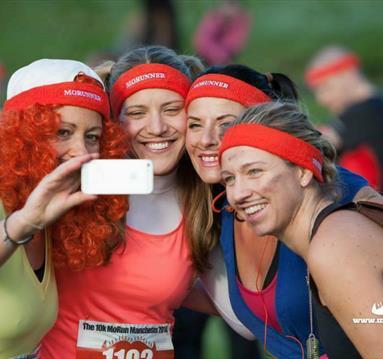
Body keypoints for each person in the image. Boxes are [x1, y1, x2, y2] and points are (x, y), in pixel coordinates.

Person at [183, 64, 375, 358]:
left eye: (226, 124)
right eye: (194, 124)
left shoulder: (337, 212)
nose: (207, 138)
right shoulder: (226, 207)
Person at [40, 45, 216, 358]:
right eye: (136, 113)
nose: (157, 127)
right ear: (114, 121)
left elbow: (234, 300)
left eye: (172, 109)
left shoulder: (204, 196)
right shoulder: (80, 180)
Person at [219, 101, 383, 358]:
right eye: (229, 178)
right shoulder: (332, 233)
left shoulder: (336, 244)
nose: (237, 194)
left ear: (304, 171)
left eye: (254, 171)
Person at [0, 58, 127, 358]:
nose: (81, 152)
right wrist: (22, 224)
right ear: (23, 136)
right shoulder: (23, 214)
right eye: (63, 133)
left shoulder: (52, 214)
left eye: (92, 137)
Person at [305, 46, 383, 190]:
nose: (322, 99)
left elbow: (315, 142)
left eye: (326, 87)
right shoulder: (376, 107)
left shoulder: (363, 113)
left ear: (349, 74)